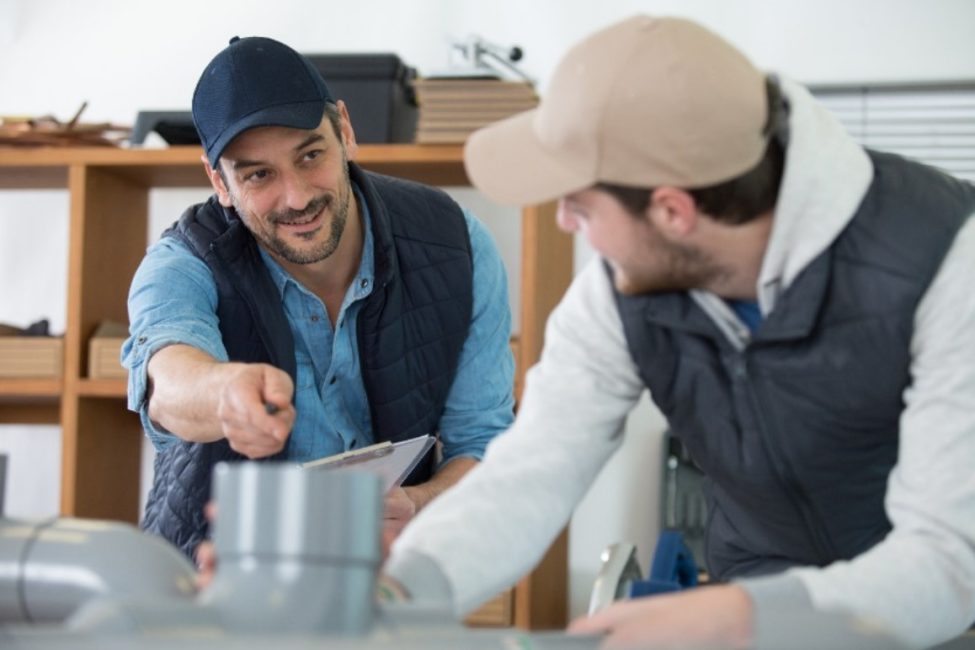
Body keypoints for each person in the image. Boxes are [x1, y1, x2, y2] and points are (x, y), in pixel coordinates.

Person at [383, 15, 975, 649]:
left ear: (673, 211)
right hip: (751, 599)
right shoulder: (620, 287)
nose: (563, 223)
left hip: (930, 620)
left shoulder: (949, 261)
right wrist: (400, 595)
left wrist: (739, 618)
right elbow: (532, 471)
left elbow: (948, 559)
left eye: (579, 205)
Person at [122, 36, 515, 562]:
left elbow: (485, 443)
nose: (298, 196)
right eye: (259, 174)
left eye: (310, 155)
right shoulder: (183, 261)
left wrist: (421, 504)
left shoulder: (455, 244)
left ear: (346, 131)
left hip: (382, 583)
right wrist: (224, 393)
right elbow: (166, 381)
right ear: (218, 180)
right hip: (211, 589)